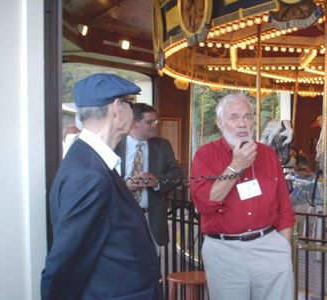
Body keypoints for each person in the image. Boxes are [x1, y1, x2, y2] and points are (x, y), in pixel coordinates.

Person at [41, 73, 163, 300]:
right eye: (129, 103)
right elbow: (65, 264)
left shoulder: (91, 161)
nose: (130, 110)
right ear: (117, 109)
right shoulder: (89, 174)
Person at [190, 94, 295, 300]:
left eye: (247, 117)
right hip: (225, 250)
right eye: (234, 117)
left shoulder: (268, 154)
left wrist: (283, 247)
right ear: (220, 123)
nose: (242, 124)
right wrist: (236, 166)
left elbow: (284, 207)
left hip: (269, 246)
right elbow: (204, 203)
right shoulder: (206, 155)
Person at [116, 103, 183, 249]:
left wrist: (156, 181)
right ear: (134, 124)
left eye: (155, 121)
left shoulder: (162, 145)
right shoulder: (115, 145)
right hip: (120, 217)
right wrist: (125, 185)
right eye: (149, 122)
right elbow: (102, 178)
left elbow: (177, 174)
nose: (154, 125)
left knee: (152, 264)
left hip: (150, 218)